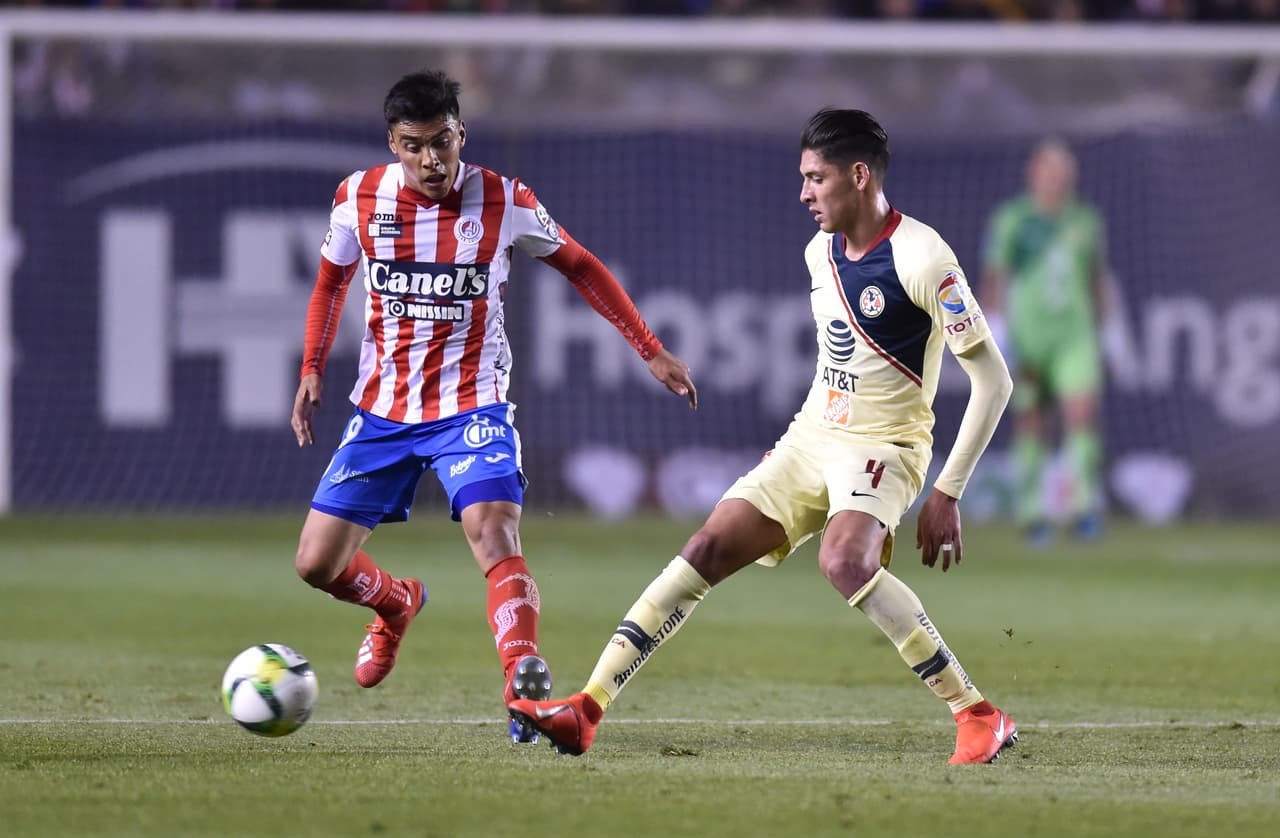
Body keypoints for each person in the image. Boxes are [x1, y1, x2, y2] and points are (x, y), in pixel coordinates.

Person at [509, 108, 1017, 764]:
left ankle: (977, 713)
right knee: (706, 547)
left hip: (884, 446)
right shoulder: (818, 252)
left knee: (844, 562)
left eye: (816, 178)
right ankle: (586, 709)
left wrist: (948, 490)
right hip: (811, 439)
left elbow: (993, 381)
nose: (804, 193)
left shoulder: (924, 256)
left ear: (859, 176)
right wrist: (801, 439)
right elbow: (839, 360)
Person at [289, 69, 698, 743]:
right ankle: (395, 604)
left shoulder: (505, 200)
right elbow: (331, 282)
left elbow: (581, 265)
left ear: (461, 133)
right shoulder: (357, 198)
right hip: (384, 410)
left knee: (494, 531)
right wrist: (311, 367)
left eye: (442, 142)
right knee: (316, 565)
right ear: (394, 144)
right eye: (414, 145)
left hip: (472, 403)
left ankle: (522, 677)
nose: (430, 160)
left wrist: (648, 347)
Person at [982, 138, 1109, 545]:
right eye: (1050, 171)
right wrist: (998, 333)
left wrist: (1107, 330)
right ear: (1034, 173)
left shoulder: (1086, 222)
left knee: (1081, 416)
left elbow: (1095, 280)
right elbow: (995, 279)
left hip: (1074, 335)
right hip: (1029, 337)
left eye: (1064, 172)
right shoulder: (1013, 221)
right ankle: (1032, 510)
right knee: (1033, 422)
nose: (1058, 180)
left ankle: (1082, 506)